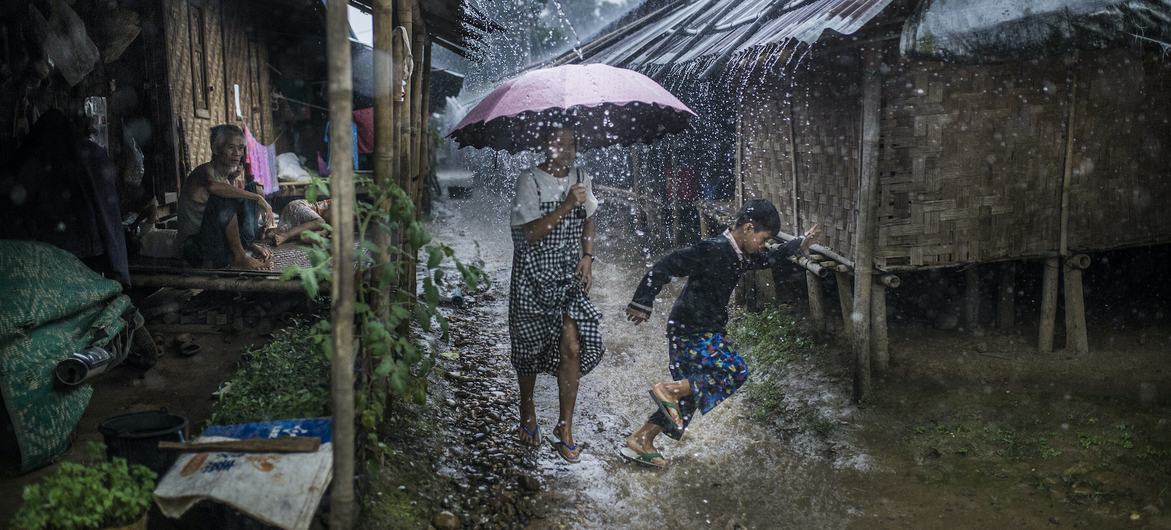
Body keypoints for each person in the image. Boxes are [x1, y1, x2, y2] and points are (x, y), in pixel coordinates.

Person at [620, 199, 820, 468]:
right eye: (763, 239)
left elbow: (767, 258)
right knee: (734, 371)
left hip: (695, 329)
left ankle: (641, 440)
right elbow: (666, 265)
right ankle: (666, 390)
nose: (763, 245)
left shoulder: (739, 253)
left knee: (689, 396)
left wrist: (798, 244)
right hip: (691, 329)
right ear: (748, 228)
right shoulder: (712, 249)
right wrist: (642, 302)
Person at [509, 125, 604, 463]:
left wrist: (588, 257)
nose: (563, 149)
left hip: (567, 276)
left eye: (569, 143)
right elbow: (528, 235)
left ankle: (564, 428)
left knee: (572, 345)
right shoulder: (528, 180)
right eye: (556, 142)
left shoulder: (581, 176)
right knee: (528, 347)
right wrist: (565, 205)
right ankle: (528, 409)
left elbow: (589, 219)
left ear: (576, 148)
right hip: (533, 275)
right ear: (544, 146)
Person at [176, 124, 274, 270]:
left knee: (254, 188)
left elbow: (229, 221)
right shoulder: (203, 171)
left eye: (240, 148)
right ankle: (240, 257)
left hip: (216, 245)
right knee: (227, 196)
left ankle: (245, 247)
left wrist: (252, 246)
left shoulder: (226, 180)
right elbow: (213, 187)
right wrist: (258, 199)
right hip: (195, 249)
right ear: (216, 149)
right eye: (231, 147)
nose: (237, 153)